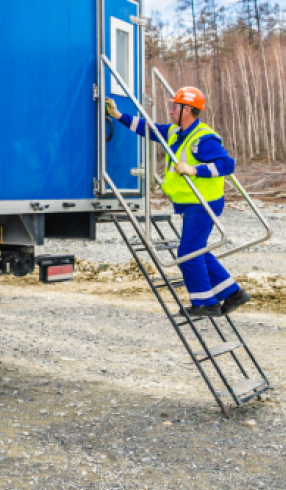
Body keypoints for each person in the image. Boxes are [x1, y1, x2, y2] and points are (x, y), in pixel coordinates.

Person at [105, 87, 251, 318]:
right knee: (197, 250)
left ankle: (206, 304)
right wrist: (118, 115)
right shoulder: (175, 132)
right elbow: (147, 128)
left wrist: (194, 169)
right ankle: (233, 293)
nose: (170, 109)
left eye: (175, 106)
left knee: (188, 252)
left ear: (188, 110)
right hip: (192, 204)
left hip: (203, 204)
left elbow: (227, 164)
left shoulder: (202, 138)